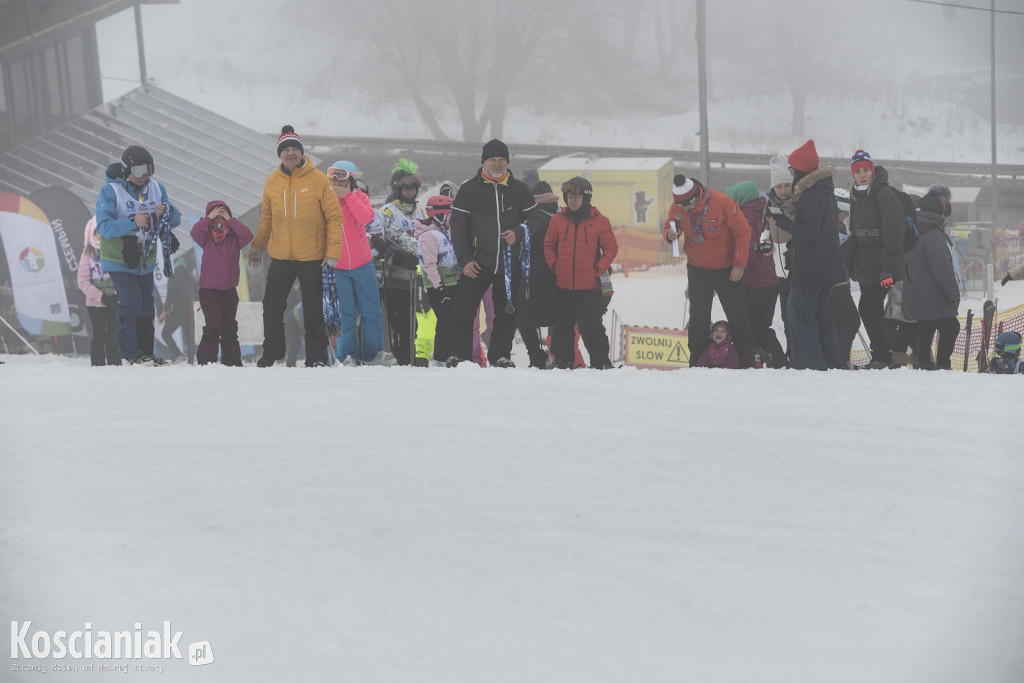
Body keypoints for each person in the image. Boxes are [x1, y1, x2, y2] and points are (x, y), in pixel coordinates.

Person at [246, 125, 342, 368]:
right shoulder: (272, 181)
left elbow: (334, 218)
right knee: (272, 306)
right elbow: (266, 218)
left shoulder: (319, 180)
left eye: (294, 149)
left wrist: (332, 253)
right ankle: (272, 353)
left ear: (301, 152)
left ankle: (316, 357)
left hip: (312, 256)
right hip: (280, 257)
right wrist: (258, 246)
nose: (290, 153)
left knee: (313, 310)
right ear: (280, 154)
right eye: (286, 149)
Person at [447, 139, 537, 367]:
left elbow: (534, 219)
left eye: (501, 159)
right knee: (463, 311)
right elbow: (458, 227)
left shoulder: (519, 189)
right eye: (492, 159)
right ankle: (460, 356)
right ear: (483, 162)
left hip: (509, 264)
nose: (497, 164)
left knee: (506, 313)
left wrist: (518, 232)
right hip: (476, 263)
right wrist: (465, 259)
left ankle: (500, 356)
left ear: (507, 161)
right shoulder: (469, 189)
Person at [95, 145, 181, 366]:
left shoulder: (157, 188)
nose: (144, 176)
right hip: (119, 258)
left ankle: (147, 353)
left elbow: (175, 220)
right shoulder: (110, 191)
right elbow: (104, 227)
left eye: (149, 170)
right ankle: (131, 353)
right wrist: (133, 222)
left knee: (147, 305)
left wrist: (168, 212)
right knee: (131, 303)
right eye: (139, 170)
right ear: (127, 170)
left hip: (145, 259)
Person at [663, 175, 755, 368]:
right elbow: (670, 224)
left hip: (727, 269)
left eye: (687, 206)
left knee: (737, 317)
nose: (684, 210)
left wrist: (739, 264)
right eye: (680, 207)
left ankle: (747, 363)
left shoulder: (722, 202)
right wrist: (670, 234)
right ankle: (697, 363)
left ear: (696, 197)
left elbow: (743, 231)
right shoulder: (678, 206)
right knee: (698, 319)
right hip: (697, 269)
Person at [770, 140, 846, 370]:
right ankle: (831, 363)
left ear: (801, 170)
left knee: (800, 317)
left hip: (810, 269)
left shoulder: (810, 195)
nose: (791, 173)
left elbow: (808, 232)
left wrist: (781, 220)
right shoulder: (825, 191)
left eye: (792, 169)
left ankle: (809, 366)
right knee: (824, 320)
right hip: (827, 268)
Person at [544, 177, 619, 369]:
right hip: (563, 286)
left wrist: (599, 268)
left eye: (577, 197)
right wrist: (554, 266)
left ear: (586, 198)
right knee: (562, 328)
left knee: (592, 327)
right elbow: (548, 245)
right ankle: (563, 363)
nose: (573, 201)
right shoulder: (557, 220)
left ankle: (601, 364)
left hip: (590, 288)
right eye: (570, 197)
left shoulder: (600, 222)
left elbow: (611, 248)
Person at [325, 161, 394, 367]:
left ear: (352, 180)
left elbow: (366, 217)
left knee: (370, 310)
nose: (337, 182)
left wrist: (349, 196)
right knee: (344, 314)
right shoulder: (325, 199)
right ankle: (347, 355)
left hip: (362, 264)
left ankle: (372, 354)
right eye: (333, 178)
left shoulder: (359, 196)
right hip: (337, 267)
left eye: (341, 178)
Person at [846, 149, 906, 369]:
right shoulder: (856, 196)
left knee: (868, 308)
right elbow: (856, 234)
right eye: (858, 171)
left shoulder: (884, 195)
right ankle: (883, 355)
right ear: (853, 174)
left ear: (873, 171)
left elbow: (894, 236)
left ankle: (883, 356)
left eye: (865, 170)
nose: (862, 174)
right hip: (866, 265)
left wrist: (888, 269)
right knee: (873, 308)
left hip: (885, 264)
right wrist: (847, 259)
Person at [725, 181, 787, 368]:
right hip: (773, 279)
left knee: (748, 324)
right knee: (763, 325)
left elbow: (749, 249)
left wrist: (737, 268)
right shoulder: (767, 211)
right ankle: (778, 360)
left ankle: (754, 361)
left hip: (753, 281)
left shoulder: (746, 216)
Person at [902, 185, 961, 370]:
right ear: (940, 213)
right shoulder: (934, 235)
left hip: (915, 293)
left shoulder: (914, 230)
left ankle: (925, 365)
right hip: (934, 296)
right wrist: (953, 294)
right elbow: (942, 269)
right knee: (951, 327)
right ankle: (943, 364)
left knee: (925, 327)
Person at [190, 200, 253, 366]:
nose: (219, 220)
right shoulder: (206, 237)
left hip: (229, 289)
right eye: (216, 216)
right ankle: (206, 361)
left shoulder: (234, 237)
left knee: (230, 327)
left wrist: (231, 220)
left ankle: (232, 361)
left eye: (222, 215)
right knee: (213, 325)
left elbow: (248, 235)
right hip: (209, 290)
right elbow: (194, 232)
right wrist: (208, 218)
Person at [380, 158, 426, 364]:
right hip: (395, 275)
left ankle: (413, 355)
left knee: (416, 321)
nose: (410, 191)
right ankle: (402, 356)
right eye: (405, 187)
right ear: (397, 189)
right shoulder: (388, 211)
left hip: (417, 275)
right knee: (400, 320)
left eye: (413, 187)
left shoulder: (419, 211)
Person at [516, 181, 558, 369]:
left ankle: (536, 356)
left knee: (525, 319)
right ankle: (559, 356)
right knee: (558, 319)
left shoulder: (531, 220)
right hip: (556, 277)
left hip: (531, 278)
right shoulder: (561, 218)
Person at [415, 195, 459, 366]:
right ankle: (440, 358)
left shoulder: (444, 232)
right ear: (440, 216)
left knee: (452, 321)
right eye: (450, 215)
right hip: (439, 286)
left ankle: (450, 356)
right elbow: (429, 265)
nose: (452, 220)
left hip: (450, 283)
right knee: (445, 321)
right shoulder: (429, 236)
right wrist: (439, 288)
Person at [77, 215, 120, 366]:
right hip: (95, 304)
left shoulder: (116, 250)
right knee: (99, 336)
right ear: (92, 233)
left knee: (114, 336)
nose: (102, 234)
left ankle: (115, 367)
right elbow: (83, 281)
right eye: (98, 231)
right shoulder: (87, 254)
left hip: (115, 302)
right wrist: (101, 297)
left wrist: (117, 295)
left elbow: (123, 276)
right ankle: (98, 366)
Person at [764, 155, 795, 361]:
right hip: (779, 270)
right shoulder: (769, 205)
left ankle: (800, 351)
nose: (783, 190)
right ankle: (791, 352)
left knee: (797, 313)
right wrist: (765, 243)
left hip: (797, 268)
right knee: (785, 316)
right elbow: (765, 228)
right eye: (779, 186)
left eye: (787, 185)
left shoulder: (799, 203)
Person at [832, 188, 862, 366]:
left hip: (843, 281)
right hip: (834, 283)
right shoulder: (827, 226)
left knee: (841, 323)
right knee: (851, 321)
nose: (847, 215)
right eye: (844, 212)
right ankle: (840, 360)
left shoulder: (841, 226)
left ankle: (840, 360)